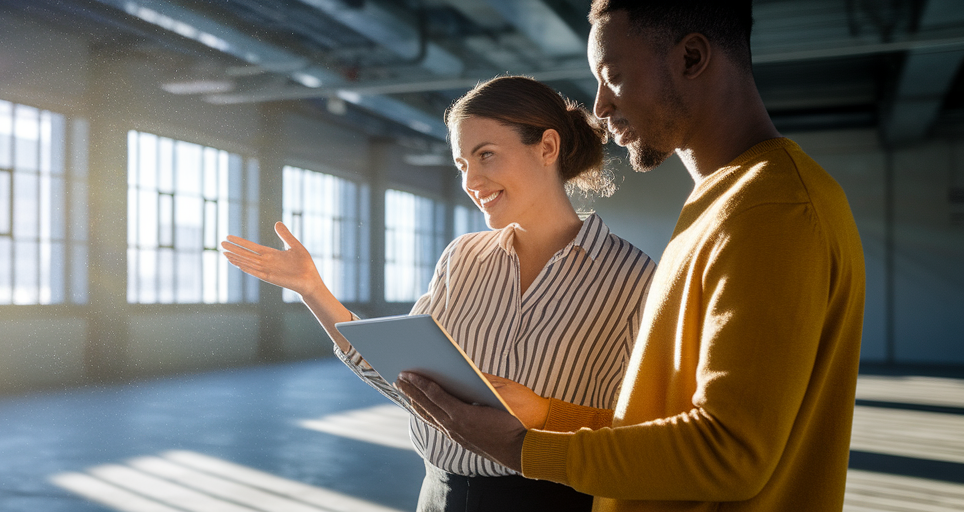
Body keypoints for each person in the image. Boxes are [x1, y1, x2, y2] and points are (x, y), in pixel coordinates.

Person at [392, 2, 866, 512]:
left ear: (691, 57)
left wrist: (519, 448)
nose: (598, 107)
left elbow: (728, 454)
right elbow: (662, 423)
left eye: (612, 76)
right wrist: (549, 415)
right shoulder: (722, 203)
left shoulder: (775, 208)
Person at [220, 76, 656, 512]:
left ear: (547, 147)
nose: (472, 180)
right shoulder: (462, 257)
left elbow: (642, 435)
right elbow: (410, 384)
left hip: (554, 500)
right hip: (439, 496)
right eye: (462, 164)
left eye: (486, 155)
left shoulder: (633, 279)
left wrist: (542, 413)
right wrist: (312, 289)